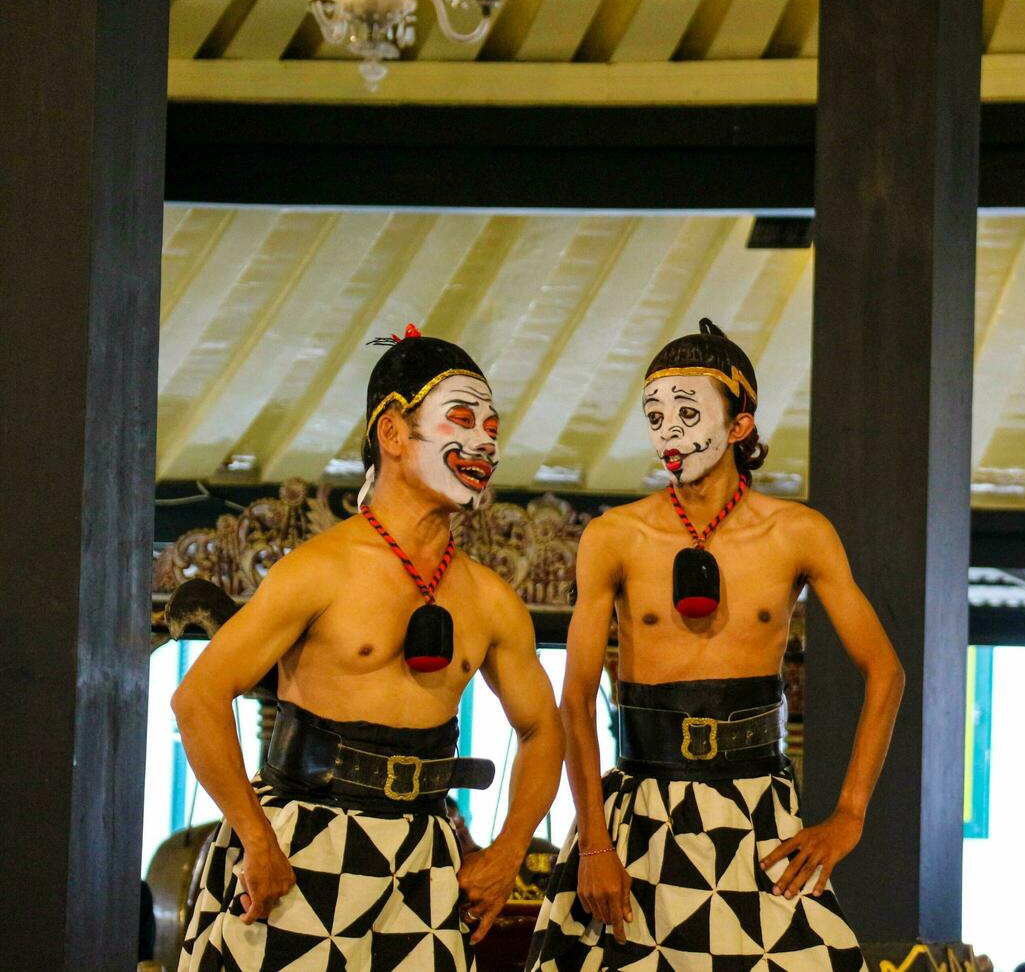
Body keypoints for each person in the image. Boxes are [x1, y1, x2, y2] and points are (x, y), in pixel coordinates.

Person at [175, 325, 565, 970]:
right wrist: (256, 839)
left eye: (492, 427)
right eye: (461, 419)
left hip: (427, 853)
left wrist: (508, 851)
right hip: (300, 842)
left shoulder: (492, 598)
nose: (483, 444)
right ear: (391, 432)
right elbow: (199, 698)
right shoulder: (319, 568)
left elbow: (542, 728)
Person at [524, 319, 905, 971]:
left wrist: (850, 812)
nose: (669, 429)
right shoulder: (614, 536)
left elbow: (886, 672)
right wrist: (592, 843)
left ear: (739, 424)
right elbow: (577, 697)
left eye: (688, 410)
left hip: (757, 804)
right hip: (636, 808)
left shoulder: (798, 533)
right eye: (656, 414)